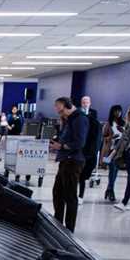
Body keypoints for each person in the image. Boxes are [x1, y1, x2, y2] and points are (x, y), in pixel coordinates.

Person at [49, 96, 88, 232]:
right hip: (65, 160)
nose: (59, 113)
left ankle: (69, 229)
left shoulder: (80, 119)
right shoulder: (69, 120)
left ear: (68, 106)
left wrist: (62, 146)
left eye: (60, 111)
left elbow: (79, 142)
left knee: (70, 195)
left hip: (74, 161)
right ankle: (58, 223)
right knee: (58, 192)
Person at [77, 95, 101, 198]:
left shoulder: (93, 114)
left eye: (87, 102)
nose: (85, 104)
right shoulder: (77, 113)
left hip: (88, 149)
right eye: (83, 102)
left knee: (83, 174)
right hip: (80, 147)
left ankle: (81, 195)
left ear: (90, 103)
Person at [101, 104, 124, 201]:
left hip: (120, 151)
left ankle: (109, 189)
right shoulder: (108, 124)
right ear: (112, 112)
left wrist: (123, 132)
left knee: (115, 170)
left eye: (120, 111)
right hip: (109, 150)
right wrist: (111, 137)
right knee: (112, 170)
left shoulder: (123, 123)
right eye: (116, 111)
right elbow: (104, 137)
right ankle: (111, 190)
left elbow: (127, 136)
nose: (118, 113)